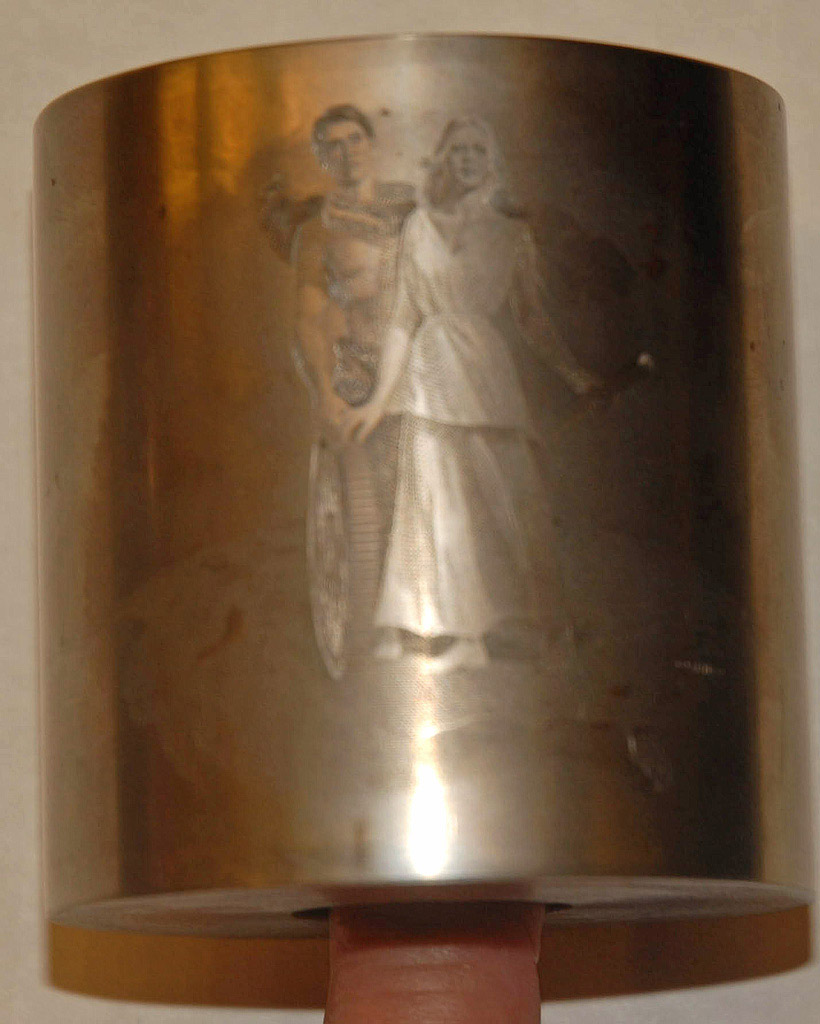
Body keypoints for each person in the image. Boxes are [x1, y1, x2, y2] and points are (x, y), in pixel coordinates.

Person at [344, 117, 601, 671]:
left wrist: (575, 374)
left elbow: (532, 320)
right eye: (458, 150)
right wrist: (379, 400)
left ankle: (542, 629)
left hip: (485, 373)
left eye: (477, 151)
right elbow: (402, 318)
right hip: (429, 375)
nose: (466, 159)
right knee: (433, 503)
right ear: (443, 158)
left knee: (512, 503)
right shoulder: (416, 228)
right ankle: (452, 633)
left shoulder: (511, 236)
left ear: (491, 163)